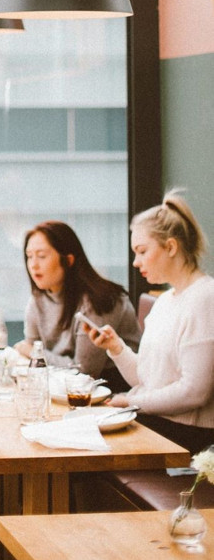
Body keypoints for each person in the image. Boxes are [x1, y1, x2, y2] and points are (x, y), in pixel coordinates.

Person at [86, 190, 214, 454]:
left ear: (171, 247)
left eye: (142, 251)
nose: (136, 262)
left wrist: (133, 402)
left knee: (86, 442)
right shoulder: (166, 301)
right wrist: (116, 348)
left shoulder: (205, 298)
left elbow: (195, 392)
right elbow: (146, 379)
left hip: (189, 435)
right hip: (161, 423)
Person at [15, 221, 140, 381]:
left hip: (110, 390)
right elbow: (30, 351)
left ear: (68, 260)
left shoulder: (98, 300)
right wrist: (32, 351)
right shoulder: (38, 298)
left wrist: (34, 352)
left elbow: (86, 371)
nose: (33, 264)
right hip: (63, 385)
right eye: (29, 256)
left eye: (41, 256)